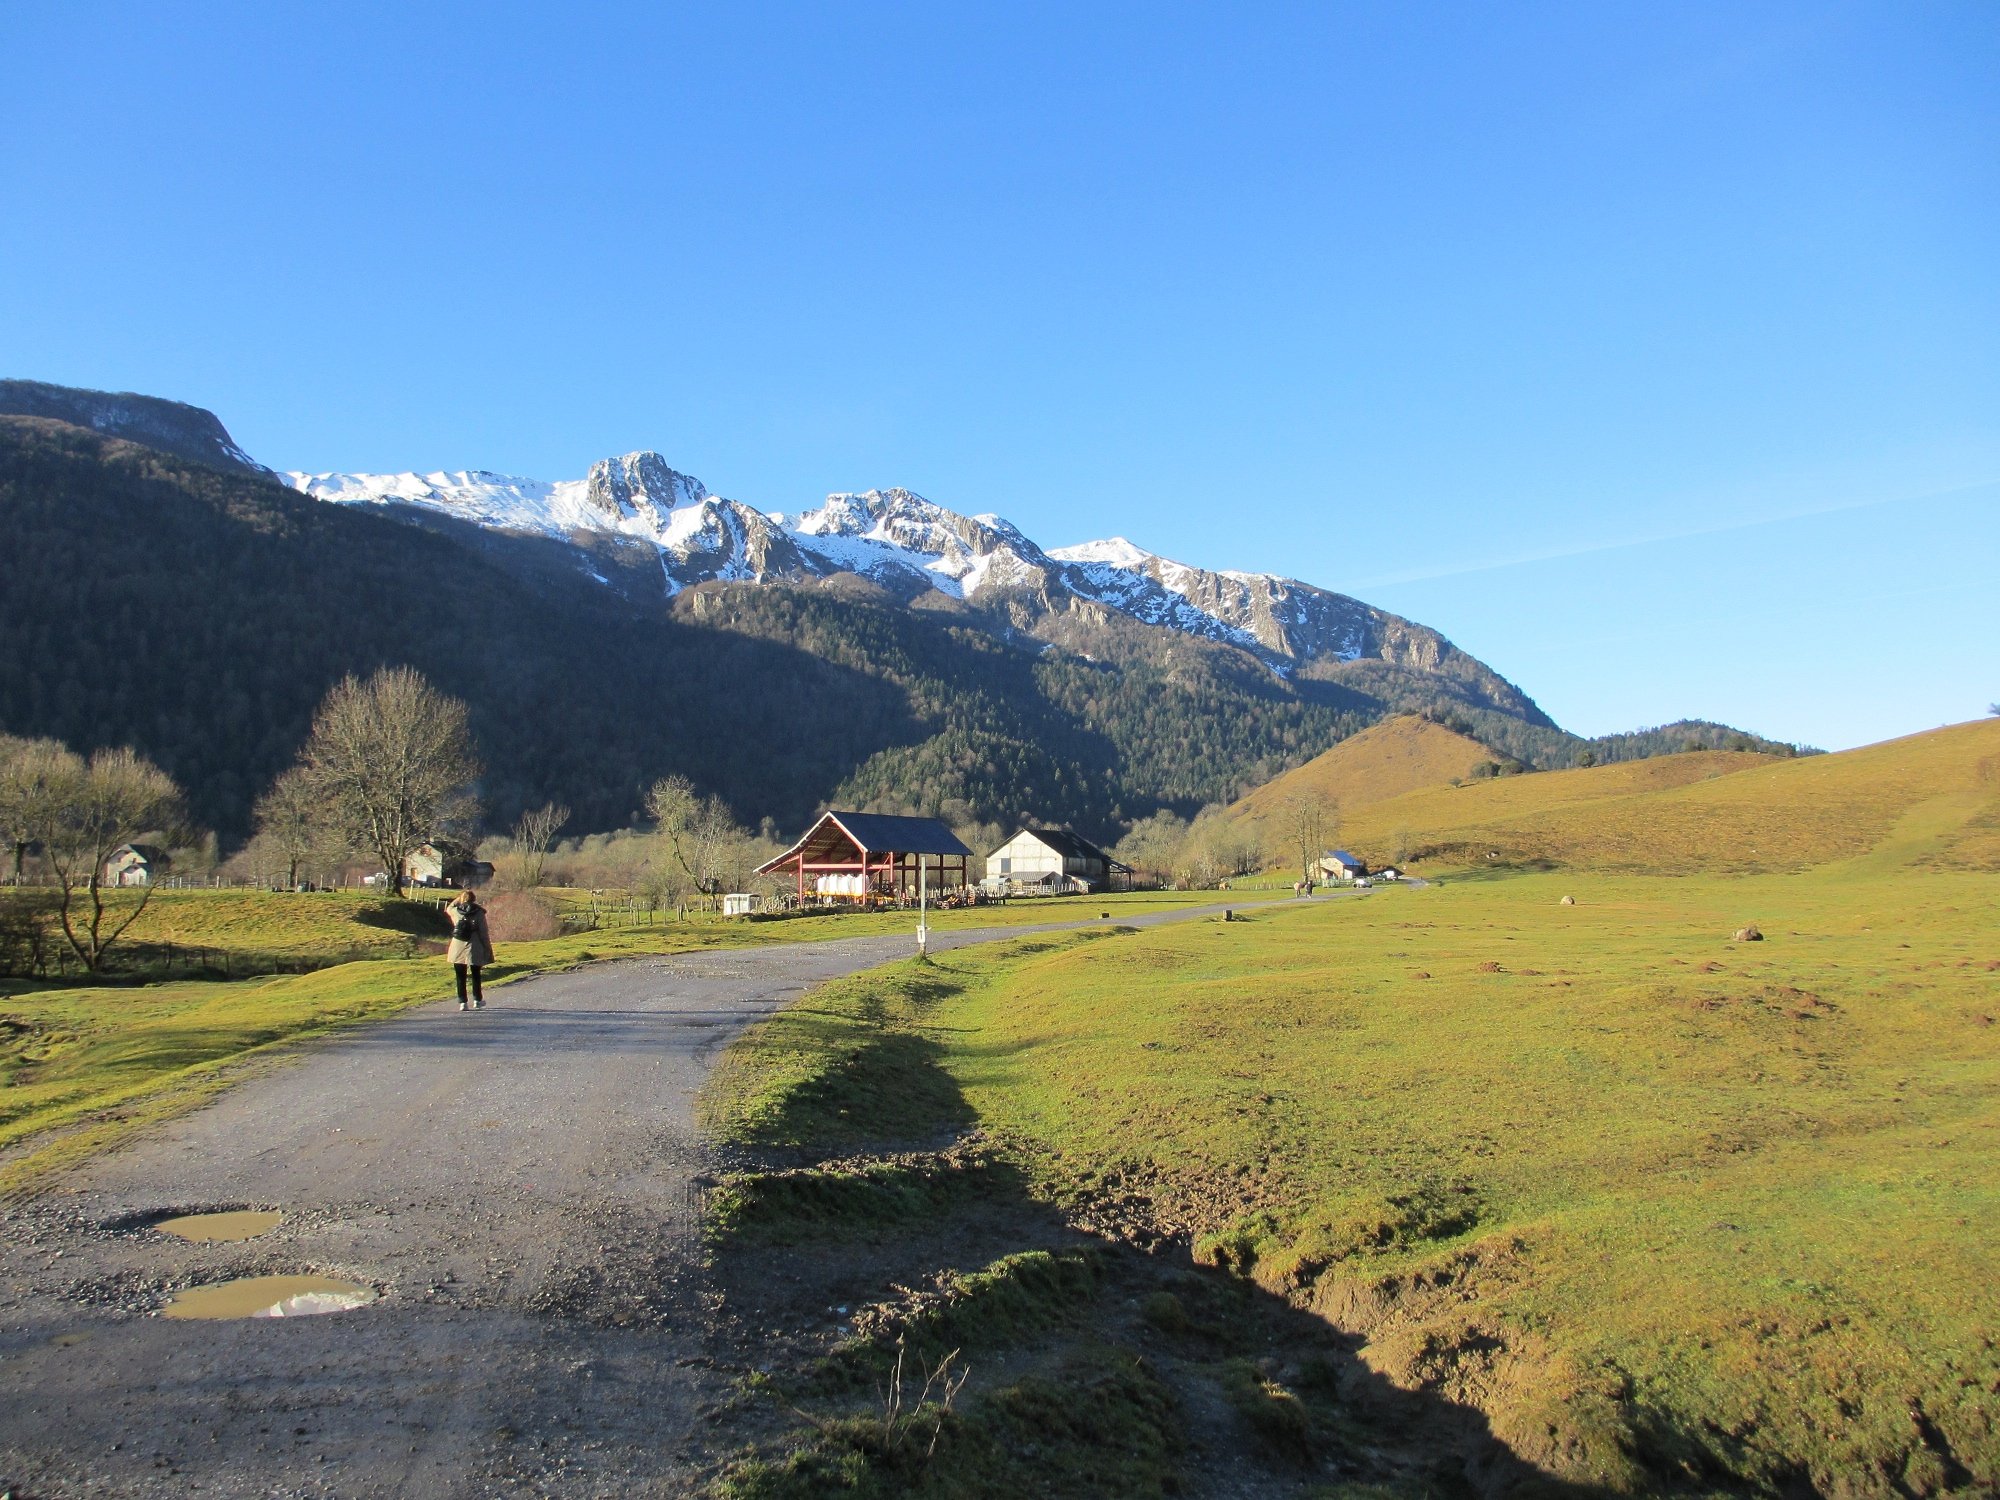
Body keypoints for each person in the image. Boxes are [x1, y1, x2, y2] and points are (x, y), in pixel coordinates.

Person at [444, 887, 494, 1010]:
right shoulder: (479, 913)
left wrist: (459, 899)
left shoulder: (455, 911)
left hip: (458, 946)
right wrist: (487, 948)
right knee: (476, 974)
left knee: (460, 976)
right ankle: (477, 1000)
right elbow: (483, 932)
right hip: (474, 945)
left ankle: (463, 1002)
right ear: (474, 899)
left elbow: (448, 908)